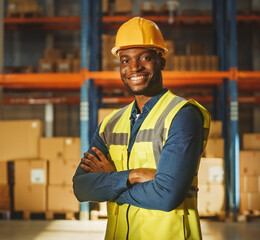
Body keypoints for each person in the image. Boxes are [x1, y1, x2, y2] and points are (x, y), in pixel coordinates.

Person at [73, 17, 211, 240]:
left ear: (161, 61)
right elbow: (81, 188)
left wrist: (110, 181)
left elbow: (167, 196)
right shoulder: (110, 123)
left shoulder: (183, 115)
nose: (134, 67)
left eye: (145, 58)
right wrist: (134, 175)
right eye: (125, 60)